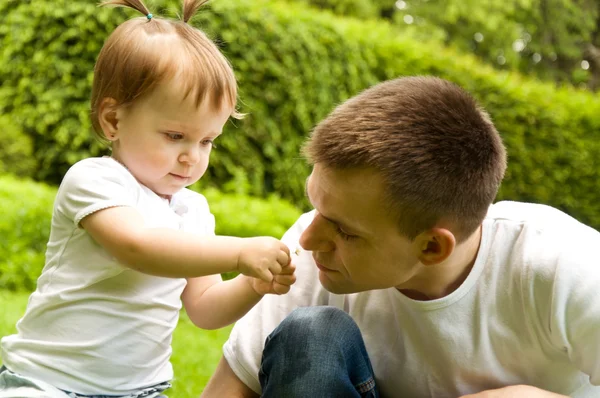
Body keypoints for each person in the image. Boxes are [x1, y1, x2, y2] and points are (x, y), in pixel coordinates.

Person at [201, 76, 600, 398]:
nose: (308, 239)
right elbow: (230, 389)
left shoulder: (565, 265)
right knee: (310, 336)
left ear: (431, 246)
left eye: (344, 230)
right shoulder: (311, 254)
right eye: (317, 207)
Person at [0, 1, 296, 397]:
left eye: (207, 140)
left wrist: (251, 284)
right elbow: (137, 247)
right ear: (113, 121)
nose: (193, 156)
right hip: (47, 381)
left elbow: (205, 307)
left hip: (140, 390)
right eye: (175, 136)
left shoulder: (193, 211)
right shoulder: (95, 180)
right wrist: (239, 252)